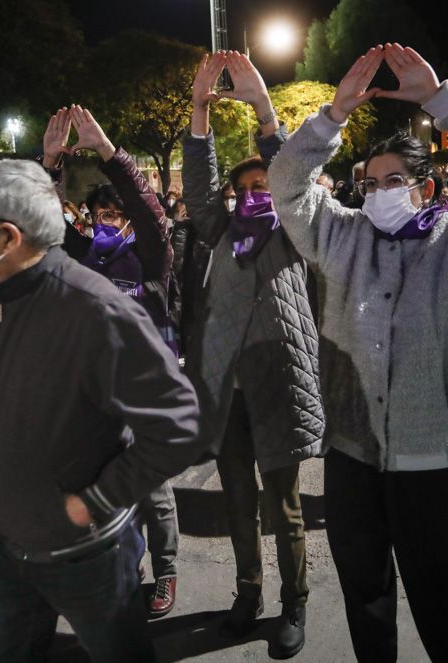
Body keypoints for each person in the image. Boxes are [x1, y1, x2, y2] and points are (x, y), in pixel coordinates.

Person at [269, 43, 448, 662]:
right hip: (351, 460)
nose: (378, 192)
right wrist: (332, 116)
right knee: (366, 603)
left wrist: (443, 101)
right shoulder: (341, 234)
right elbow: (285, 186)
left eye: (394, 181)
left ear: (424, 188)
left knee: (446, 610)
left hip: (433, 467)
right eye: (369, 183)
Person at [0, 158, 203, 663]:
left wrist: (96, 500)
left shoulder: (93, 309)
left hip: (84, 558)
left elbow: (178, 427)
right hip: (0, 547)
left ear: (7, 238)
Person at [183, 51, 324, 658]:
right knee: (239, 502)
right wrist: (197, 114)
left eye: (259, 183)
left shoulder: (294, 228)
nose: (250, 192)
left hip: (279, 382)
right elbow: (195, 189)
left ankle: (295, 603)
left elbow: (292, 173)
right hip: (227, 393)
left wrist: (265, 111)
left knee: (284, 508)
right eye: (241, 187)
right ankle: (249, 593)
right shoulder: (221, 232)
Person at [41, 104, 183, 617]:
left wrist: (108, 152)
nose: (112, 222)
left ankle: (165, 570)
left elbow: (150, 211)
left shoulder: (151, 258)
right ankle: (130, 567)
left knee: (154, 491)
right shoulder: (80, 257)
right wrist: (50, 166)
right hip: (92, 393)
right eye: (104, 214)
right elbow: (41, 226)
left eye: (119, 215)